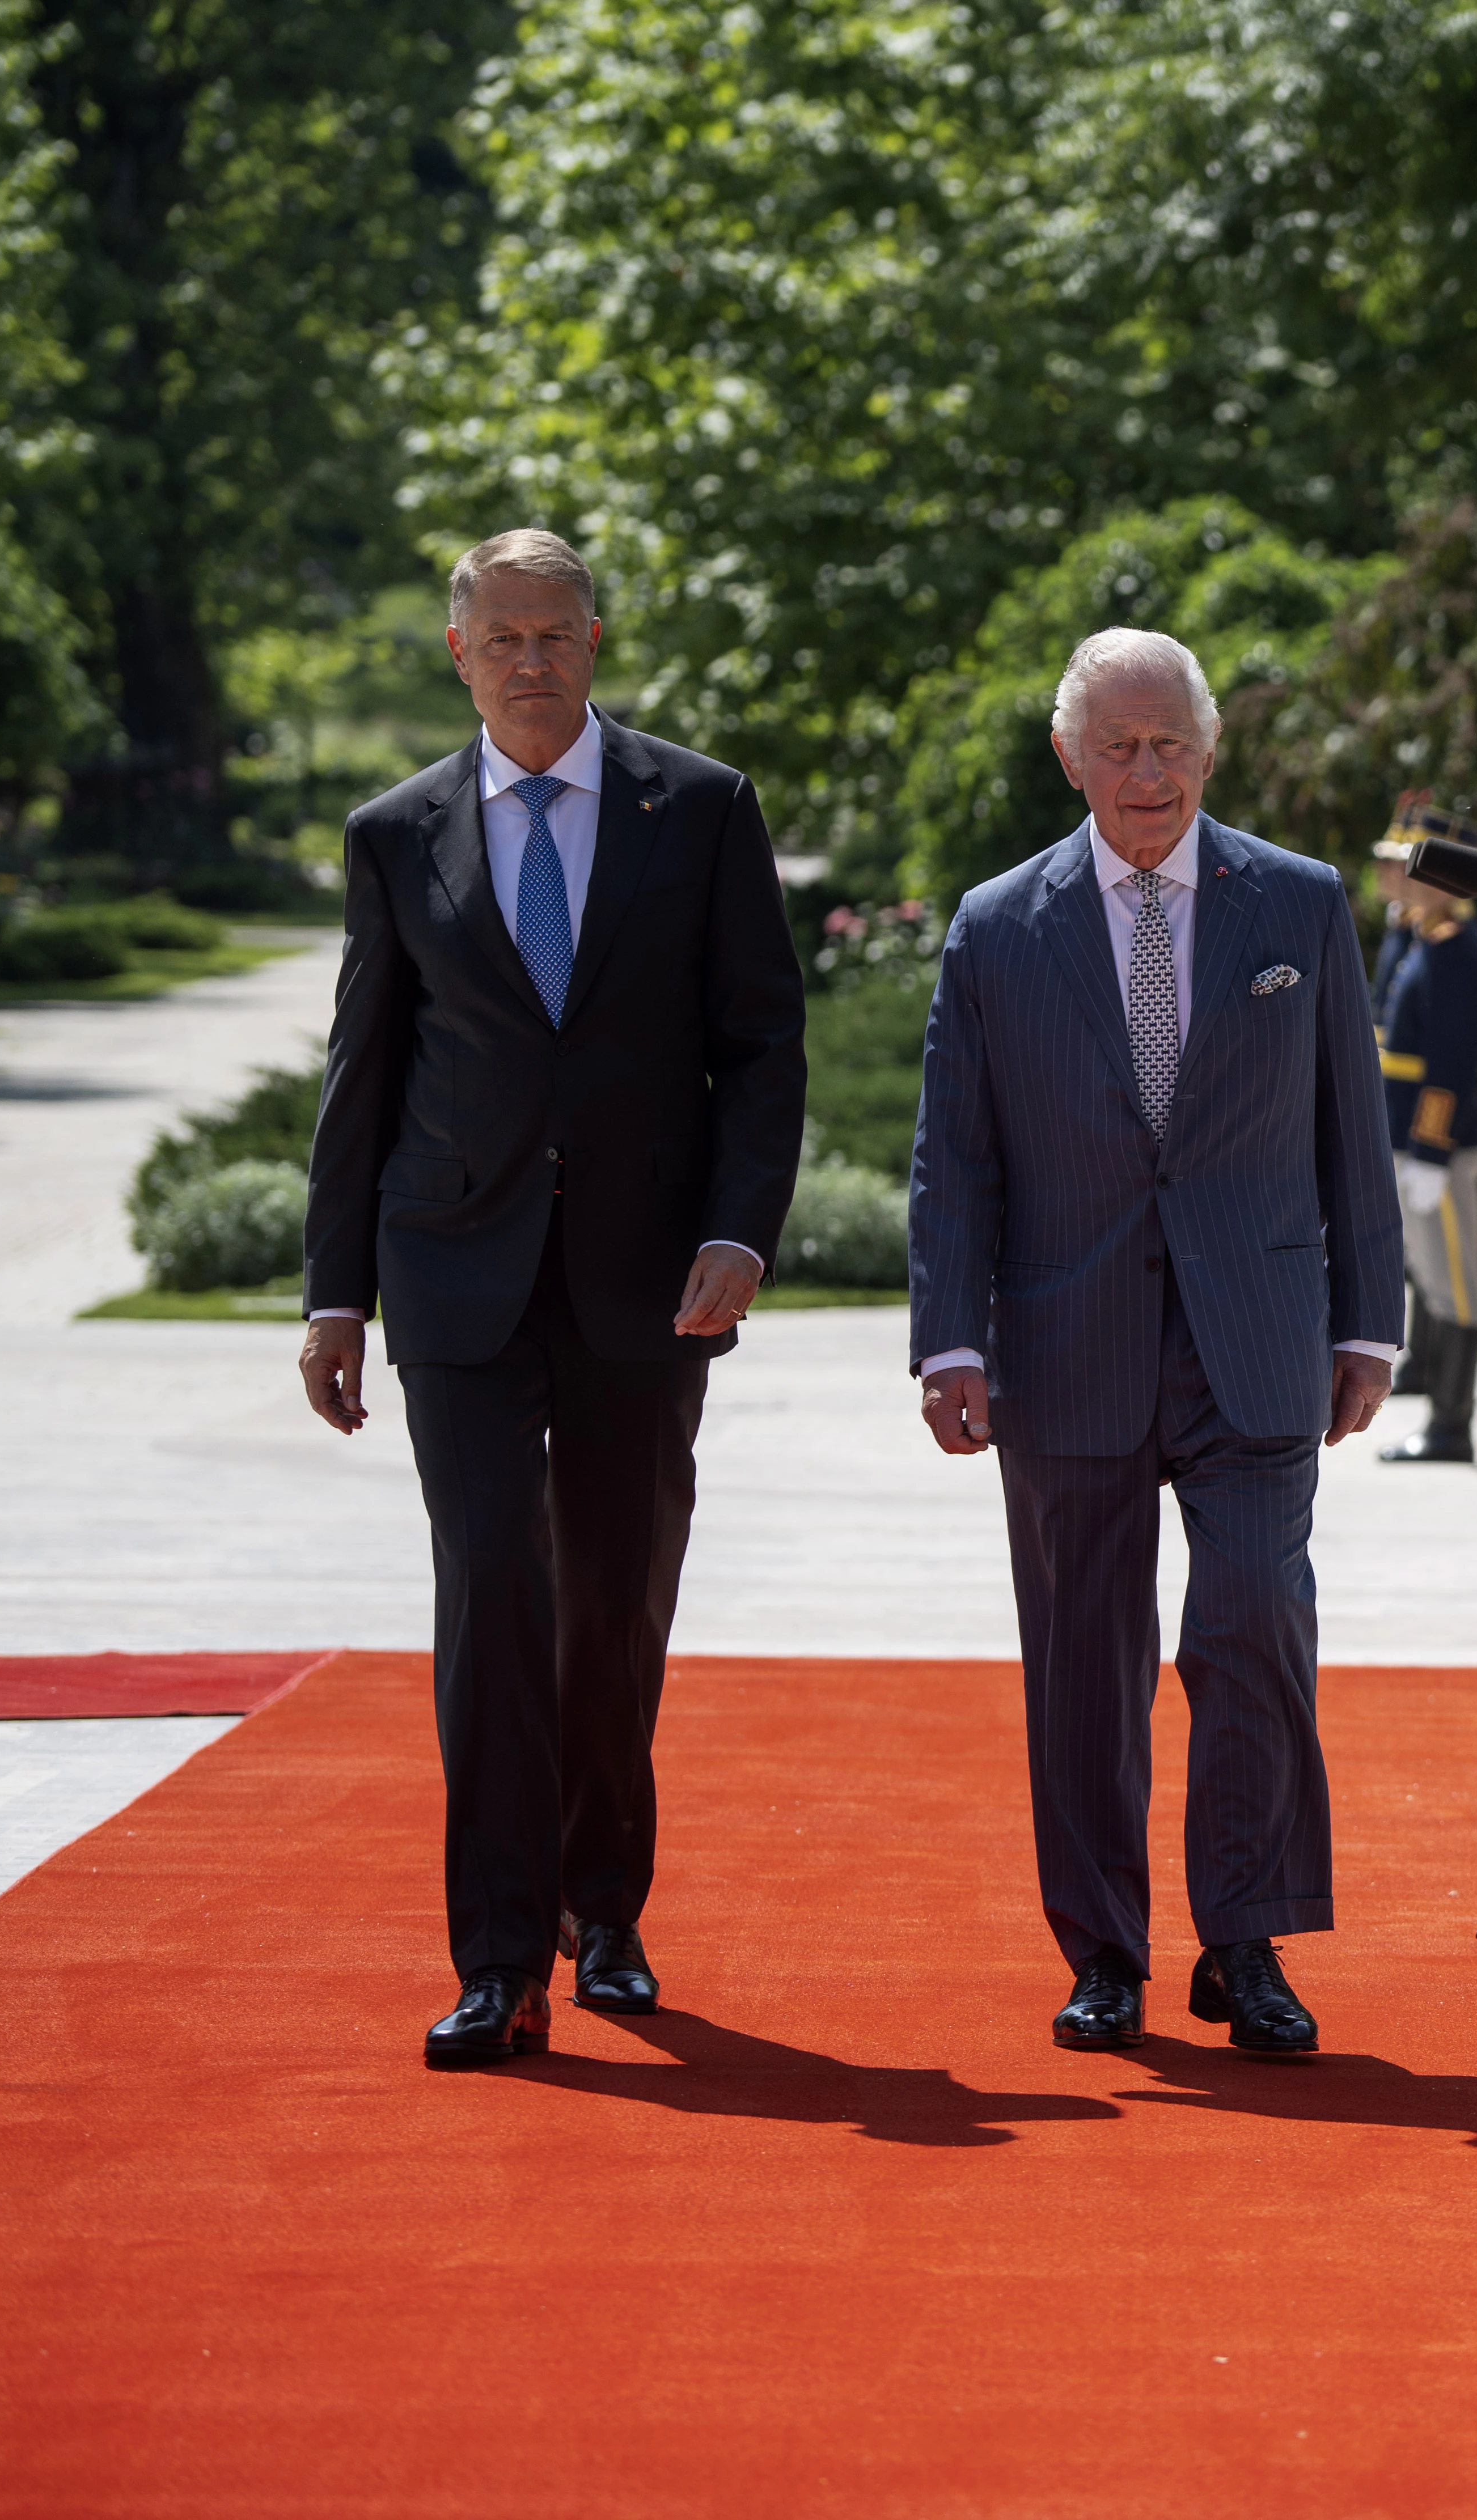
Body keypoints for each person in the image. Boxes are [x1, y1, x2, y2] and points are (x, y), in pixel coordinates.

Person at [299, 527, 807, 2068]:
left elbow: (763, 1045)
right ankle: (499, 1955)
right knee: (490, 1605)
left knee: (613, 1599)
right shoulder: (396, 831)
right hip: (452, 1270)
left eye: (557, 632)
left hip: (645, 1286)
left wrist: (741, 1230)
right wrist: (334, 1291)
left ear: (597, 642)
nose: (531, 657)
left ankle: (607, 1908)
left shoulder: (700, 808)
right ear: (458, 653)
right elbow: (362, 1066)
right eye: (502, 636)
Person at [907, 626, 1398, 2058]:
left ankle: (1243, 1943)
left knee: (1252, 1626)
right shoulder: (999, 925)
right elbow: (957, 1160)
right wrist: (951, 1341)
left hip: (1257, 1338)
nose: (1145, 770)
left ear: (1209, 748)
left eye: (1168, 742)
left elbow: (1346, 1131)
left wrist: (1369, 1322)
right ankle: (1104, 1952)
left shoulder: (1296, 907)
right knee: (1084, 1660)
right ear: (1068, 757)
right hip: (1066, 1344)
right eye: (1116, 746)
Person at [1369, 797, 1477, 1465]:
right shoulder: (1423, 937)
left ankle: (1453, 1426)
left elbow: (1450, 1063)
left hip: (1437, 1148)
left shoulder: (1459, 953)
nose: (1399, 877)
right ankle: (1442, 1409)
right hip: (1407, 1137)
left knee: (1455, 1285)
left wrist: (1428, 1147)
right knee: (1434, 1273)